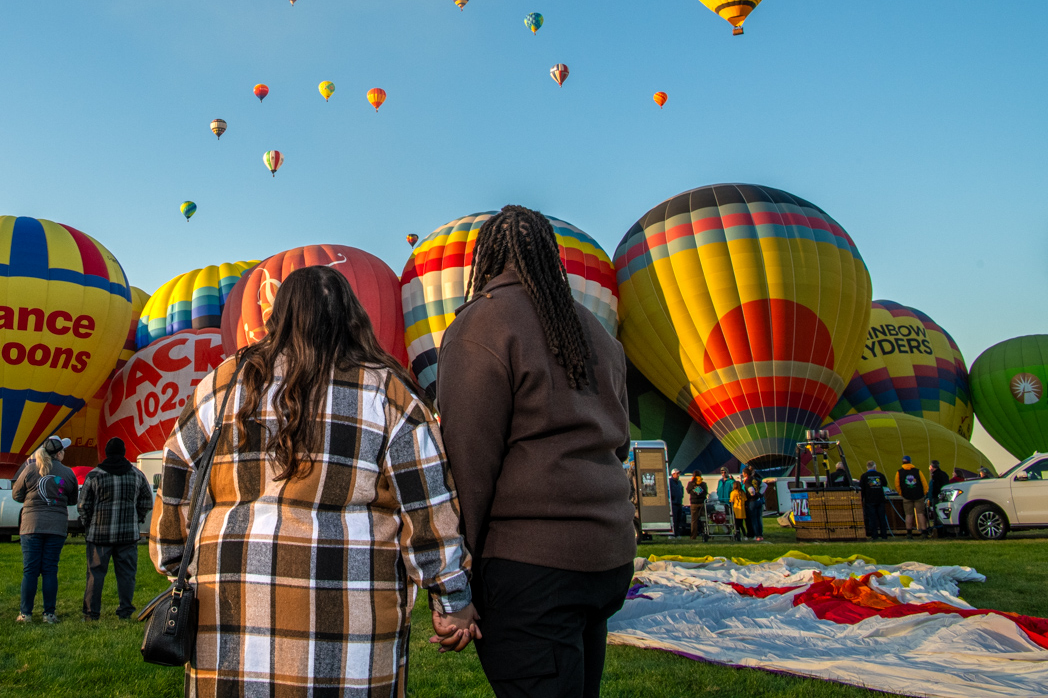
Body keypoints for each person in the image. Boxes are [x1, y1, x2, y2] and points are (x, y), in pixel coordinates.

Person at [156, 265, 474, 698]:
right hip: (350, 615)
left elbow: (176, 478)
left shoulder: (223, 385)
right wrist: (452, 601)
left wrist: (176, 561)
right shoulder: (388, 391)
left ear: (277, 316)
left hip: (229, 608)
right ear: (353, 316)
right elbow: (428, 505)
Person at [437, 205, 636, 698]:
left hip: (530, 568)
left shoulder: (482, 324)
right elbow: (622, 443)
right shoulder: (598, 333)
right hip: (607, 557)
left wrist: (455, 585)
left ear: (484, 259)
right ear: (552, 257)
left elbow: (468, 467)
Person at [77, 437, 153, 621]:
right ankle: (125, 610)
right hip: (128, 535)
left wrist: (90, 523)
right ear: (124, 452)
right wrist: (137, 518)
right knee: (127, 574)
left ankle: (91, 613)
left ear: (106, 453)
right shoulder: (137, 475)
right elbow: (146, 501)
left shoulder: (94, 475)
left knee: (95, 574)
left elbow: (83, 505)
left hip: (99, 535)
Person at [12, 435, 77, 624]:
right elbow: (73, 500)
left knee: (30, 570)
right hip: (56, 527)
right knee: (50, 570)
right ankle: (49, 614)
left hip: (31, 526)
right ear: (59, 453)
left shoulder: (30, 469)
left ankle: (26, 614)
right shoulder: (68, 473)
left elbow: (16, 494)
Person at [896, 455, 926, 536]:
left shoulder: (899, 472)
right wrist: (924, 493)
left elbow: (897, 485)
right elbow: (924, 483)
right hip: (918, 495)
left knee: (909, 515)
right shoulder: (917, 471)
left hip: (906, 496)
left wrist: (901, 494)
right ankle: (924, 532)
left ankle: (909, 533)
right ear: (911, 462)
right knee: (920, 513)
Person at [859, 461, 890, 539]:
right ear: (875, 467)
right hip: (880, 499)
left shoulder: (864, 476)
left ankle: (874, 535)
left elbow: (861, 489)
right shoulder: (880, 475)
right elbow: (885, 485)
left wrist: (861, 500)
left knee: (872, 519)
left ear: (867, 467)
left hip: (869, 500)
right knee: (882, 518)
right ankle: (884, 535)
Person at [925, 461, 949, 537]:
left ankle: (939, 532)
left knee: (937, 514)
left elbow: (935, 488)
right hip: (945, 497)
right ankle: (945, 531)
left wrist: (931, 497)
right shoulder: (944, 474)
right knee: (944, 514)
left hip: (937, 497)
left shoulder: (935, 476)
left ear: (932, 467)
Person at [687, 471, 708, 539]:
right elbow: (705, 492)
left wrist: (694, 488)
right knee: (704, 520)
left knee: (694, 521)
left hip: (693, 504)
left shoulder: (691, 483)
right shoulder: (703, 483)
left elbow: (688, 491)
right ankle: (705, 534)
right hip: (702, 503)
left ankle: (693, 536)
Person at [728, 472, 747, 540]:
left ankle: (738, 535)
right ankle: (744, 534)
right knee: (741, 524)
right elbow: (745, 499)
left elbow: (731, 501)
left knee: (736, 524)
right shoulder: (742, 492)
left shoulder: (733, 493)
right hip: (742, 510)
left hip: (736, 510)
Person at [745, 475, 765, 540]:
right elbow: (765, 485)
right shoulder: (757, 480)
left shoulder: (748, 481)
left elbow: (751, 490)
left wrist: (753, 494)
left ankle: (757, 535)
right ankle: (760, 534)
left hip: (752, 501)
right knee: (759, 519)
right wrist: (760, 494)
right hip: (759, 500)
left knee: (754, 520)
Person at [669, 469, 685, 536]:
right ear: (673, 474)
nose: (678, 475)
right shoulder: (670, 482)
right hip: (673, 503)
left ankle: (677, 533)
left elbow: (682, 490)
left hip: (679, 503)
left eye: (679, 474)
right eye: (677, 473)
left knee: (679, 519)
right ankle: (672, 533)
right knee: (674, 520)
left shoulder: (679, 482)